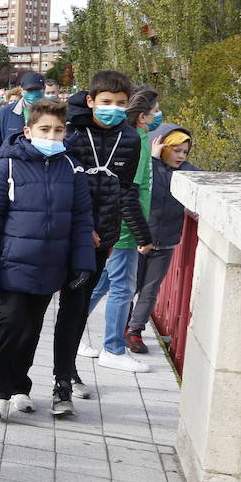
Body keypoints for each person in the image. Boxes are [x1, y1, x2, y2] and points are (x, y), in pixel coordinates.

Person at [0, 99, 95, 420]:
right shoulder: (7, 166)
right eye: (44, 129)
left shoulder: (72, 168)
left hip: (50, 268)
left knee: (30, 330)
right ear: (28, 131)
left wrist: (83, 263)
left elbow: (82, 219)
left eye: (58, 130)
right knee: (10, 324)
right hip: (11, 266)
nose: (52, 136)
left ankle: (19, 387)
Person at [52, 71, 153, 410]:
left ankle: (63, 380)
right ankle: (13, 382)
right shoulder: (71, 130)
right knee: (28, 311)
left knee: (75, 308)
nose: (112, 108)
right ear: (92, 100)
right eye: (105, 102)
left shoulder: (132, 139)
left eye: (120, 104)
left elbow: (126, 191)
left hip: (99, 240)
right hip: (59, 234)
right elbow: (51, 181)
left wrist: (143, 236)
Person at [83, 86, 159, 371]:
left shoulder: (130, 137)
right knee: (123, 289)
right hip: (126, 229)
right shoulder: (137, 139)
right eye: (154, 112)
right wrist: (143, 234)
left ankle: (73, 332)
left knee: (101, 284)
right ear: (142, 117)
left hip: (121, 225)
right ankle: (113, 348)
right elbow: (130, 190)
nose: (156, 117)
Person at [126, 124, 198, 353]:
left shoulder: (187, 172)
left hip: (166, 242)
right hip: (141, 239)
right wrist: (154, 159)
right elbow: (138, 187)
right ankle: (120, 324)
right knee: (130, 286)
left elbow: (208, 183)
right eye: (176, 150)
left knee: (150, 288)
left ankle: (134, 331)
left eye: (185, 152)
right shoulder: (149, 167)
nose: (180, 156)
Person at [0, 71, 45, 168]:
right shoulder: (6, 113)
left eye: (37, 89)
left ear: (43, 90)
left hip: (42, 169)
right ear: (22, 90)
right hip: (12, 171)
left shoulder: (53, 113)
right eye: (30, 90)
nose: (34, 93)